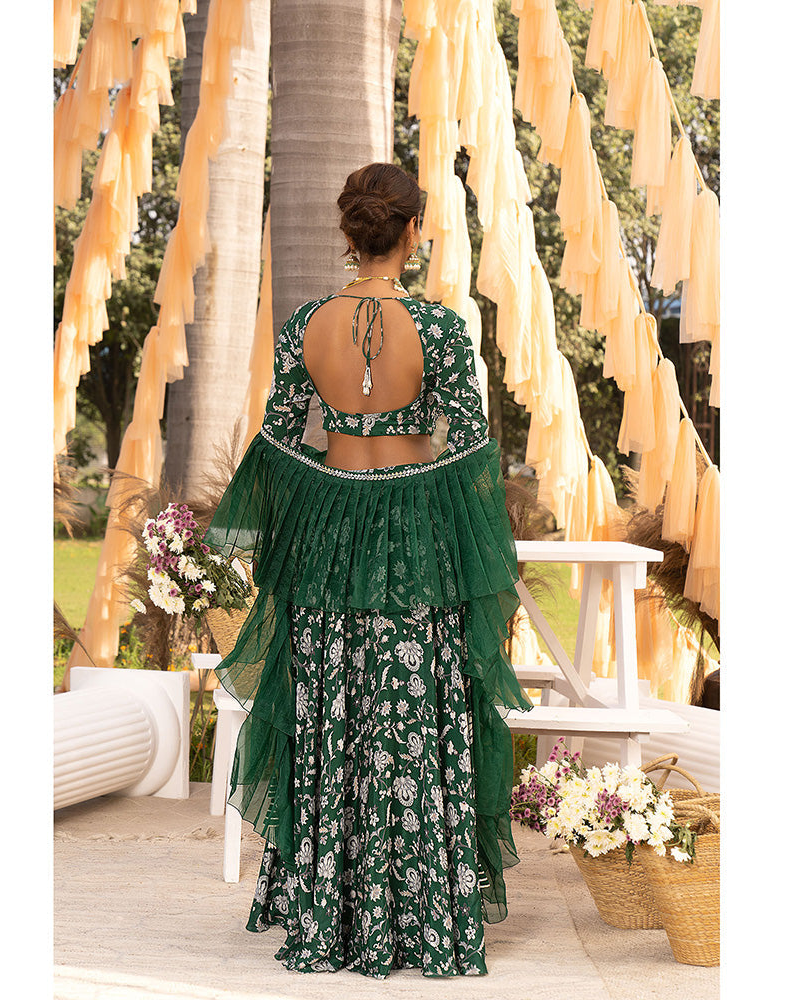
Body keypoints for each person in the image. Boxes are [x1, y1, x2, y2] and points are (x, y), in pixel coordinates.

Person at [204, 162, 532, 978]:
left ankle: (332, 916)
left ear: (350, 234)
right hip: (414, 542)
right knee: (414, 717)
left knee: (333, 714)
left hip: (327, 545)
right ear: (412, 231)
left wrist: (322, 502)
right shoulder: (441, 330)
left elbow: (277, 441)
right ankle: (421, 915)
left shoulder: (306, 325)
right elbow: (470, 450)